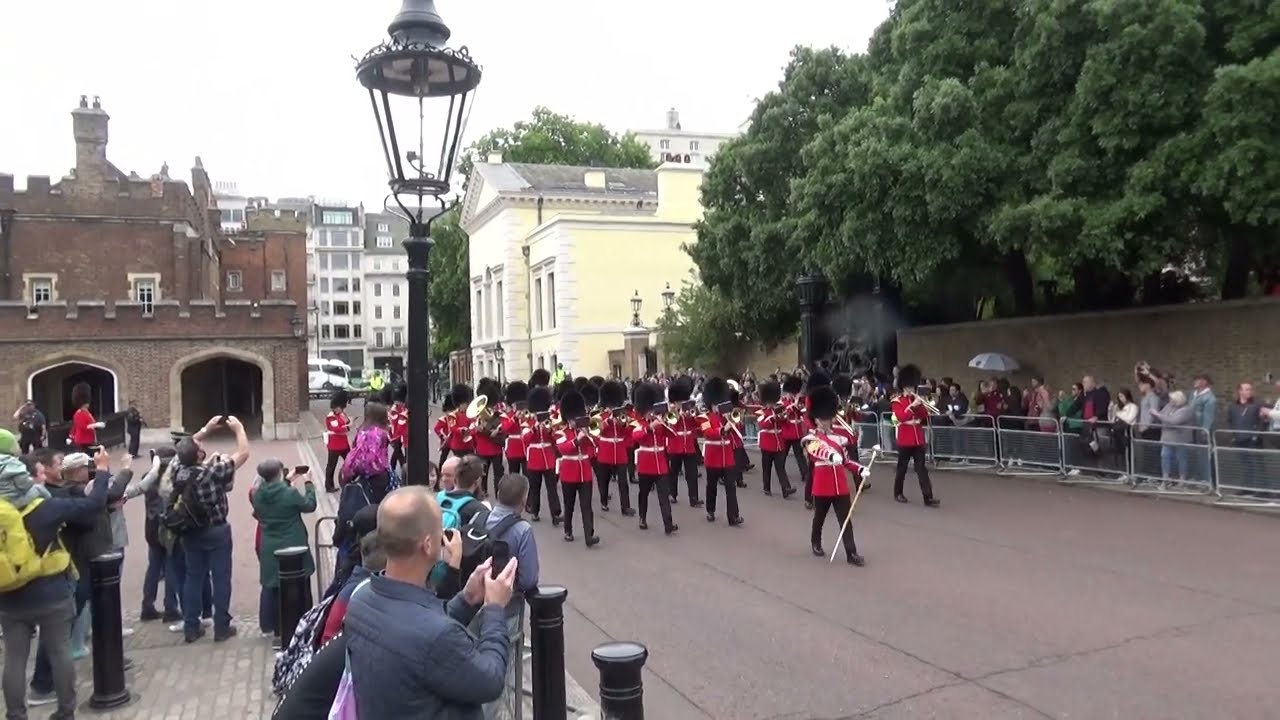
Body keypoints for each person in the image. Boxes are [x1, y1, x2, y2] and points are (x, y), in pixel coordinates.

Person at [344, 486, 518, 718]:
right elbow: (490, 680)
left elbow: (418, 631)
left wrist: (466, 599)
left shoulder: (361, 598)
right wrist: (495, 609)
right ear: (427, 544)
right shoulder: (438, 635)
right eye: (441, 531)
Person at [0, 447, 108, 719]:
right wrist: (102, 471)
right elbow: (93, 505)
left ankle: (15, 714)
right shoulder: (46, 506)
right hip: (50, 592)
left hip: (9, 595)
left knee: (14, 658)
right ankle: (65, 710)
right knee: (60, 652)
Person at [171, 415, 250, 643]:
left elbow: (182, 451)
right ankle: (221, 627)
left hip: (189, 530)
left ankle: (191, 627)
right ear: (198, 455)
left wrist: (205, 429)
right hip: (216, 530)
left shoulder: (177, 469)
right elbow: (243, 453)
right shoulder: (212, 472)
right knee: (221, 578)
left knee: (193, 578)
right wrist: (239, 429)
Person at [252, 460, 317, 646]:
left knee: (274, 588)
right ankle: (303, 626)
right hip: (293, 541)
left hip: (269, 544)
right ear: (279, 473)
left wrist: (287, 480)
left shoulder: (257, 494)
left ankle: (278, 630)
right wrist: (309, 484)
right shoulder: (290, 493)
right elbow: (309, 505)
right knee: (301, 584)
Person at [804, 386, 869, 566]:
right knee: (819, 518)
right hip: (822, 485)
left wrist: (860, 469)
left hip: (840, 485)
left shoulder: (839, 438)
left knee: (846, 520)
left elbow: (847, 461)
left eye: (829, 418)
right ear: (817, 420)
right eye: (825, 419)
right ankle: (815, 542)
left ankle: (851, 553)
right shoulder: (810, 438)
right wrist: (831, 456)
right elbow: (817, 452)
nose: (829, 422)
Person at [554, 392, 600, 546]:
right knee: (569, 505)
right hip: (569, 473)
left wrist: (589, 435)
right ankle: (568, 530)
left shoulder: (585, 430)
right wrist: (577, 439)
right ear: (568, 419)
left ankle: (589, 536)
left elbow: (596, 444)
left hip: (585, 473)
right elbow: (563, 449)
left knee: (586, 505)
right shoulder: (561, 432)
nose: (576, 421)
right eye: (574, 418)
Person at [631, 382, 677, 535]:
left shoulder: (660, 422)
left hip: (661, 463)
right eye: (649, 409)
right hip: (645, 464)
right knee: (643, 493)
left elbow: (672, 435)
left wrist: (664, 423)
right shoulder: (638, 423)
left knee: (664, 495)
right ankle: (642, 518)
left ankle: (668, 524)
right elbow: (636, 436)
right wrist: (650, 427)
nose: (652, 412)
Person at [890, 365, 939, 507]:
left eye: (913, 386)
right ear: (904, 386)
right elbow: (901, 417)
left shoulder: (916, 399)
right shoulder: (897, 401)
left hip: (918, 439)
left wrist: (921, 404)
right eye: (909, 386)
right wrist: (912, 406)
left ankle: (928, 497)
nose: (912, 389)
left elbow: (923, 416)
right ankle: (898, 493)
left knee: (921, 469)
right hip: (905, 439)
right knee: (902, 469)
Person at [698, 377, 744, 526]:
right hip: (713, 457)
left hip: (727, 457)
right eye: (718, 404)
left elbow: (738, 431)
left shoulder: (727, 417)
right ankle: (710, 510)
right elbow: (708, 433)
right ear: (712, 404)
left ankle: (733, 516)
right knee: (712, 486)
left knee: (731, 487)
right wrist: (723, 429)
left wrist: (732, 421)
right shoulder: (704, 418)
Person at [520, 386, 562, 525]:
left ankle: (555, 513)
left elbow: (556, 439)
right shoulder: (528, 421)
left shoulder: (550, 420)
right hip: (535, 458)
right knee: (535, 487)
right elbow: (525, 439)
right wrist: (535, 428)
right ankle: (535, 511)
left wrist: (549, 431)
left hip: (548, 458)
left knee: (552, 488)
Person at [596, 381, 635, 516]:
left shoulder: (622, 414)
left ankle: (626, 507)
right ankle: (604, 501)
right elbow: (596, 430)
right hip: (605, 451)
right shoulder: (599, 416)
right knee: (604, 480)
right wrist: (608, 421)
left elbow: (629, 431)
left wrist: (622, 424)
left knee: (623, 481)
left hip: (620, 451)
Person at [664, 376, 703, 507]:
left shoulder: (689, 408)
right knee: (673, 472)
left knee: (692, 473)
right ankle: (672, 494)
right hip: (675, 445)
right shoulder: (670, 410)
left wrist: (692, 416)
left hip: (689, 445)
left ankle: (694, 498)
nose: (681, 402)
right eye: (679, 400)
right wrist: (679, 412)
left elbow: (697, 424)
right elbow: (671, 422)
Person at [755, 381, 796, 498]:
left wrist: (783, 418)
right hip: (767, 443)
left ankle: (786, 489)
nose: (772, 404)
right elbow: (762, 425)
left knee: (780, 467)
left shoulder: (779, 409)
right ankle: (766, 487)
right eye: (770, 402)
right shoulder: (761, 411)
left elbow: (785, 425)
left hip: (778, 443)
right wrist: (773, 418)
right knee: (766, 468)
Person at [472, 379, 506, 496]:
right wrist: (479, 428)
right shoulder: (478, 411)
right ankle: (482, 492)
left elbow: (503, 425)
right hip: (483, 447)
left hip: (495, 447)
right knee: (482, 474)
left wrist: (496, 430)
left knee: (498, 473)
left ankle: (498, 493)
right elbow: (473, 428)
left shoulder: (499, 411)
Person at [323, 390, 352, 493]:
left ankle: (350, 480)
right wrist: (347, 427)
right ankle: (329, 486)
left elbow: (346, 422)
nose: (342, 409)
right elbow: (336, 429)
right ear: (335, 407)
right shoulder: (331, 417)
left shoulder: (340, 415)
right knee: (331, 466)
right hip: (334, 445)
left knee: (351, 462)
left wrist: (348, 420)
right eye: (341, 407)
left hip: (343, 444)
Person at [500, 382, 530, 478]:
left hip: (526, 448)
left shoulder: (528, 414)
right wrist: (515, 418)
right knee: (514, 476)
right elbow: (505, 429)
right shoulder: (507, 415)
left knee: (528, 476)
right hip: (513, 449)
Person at [67, 383, 105, 454]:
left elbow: (75, 427)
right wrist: (95, 425)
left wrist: (97, 426)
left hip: (89, 440)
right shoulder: (79, 413)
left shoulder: (86, 413)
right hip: (83, 441)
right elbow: (82, 427)